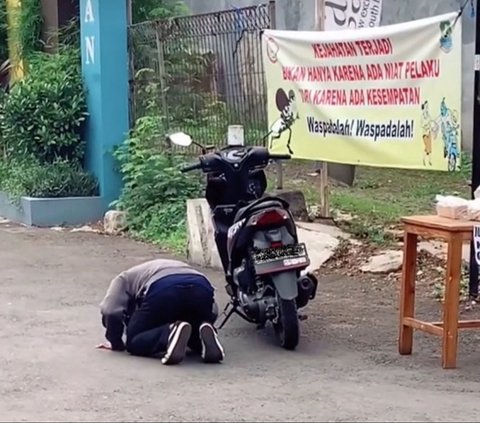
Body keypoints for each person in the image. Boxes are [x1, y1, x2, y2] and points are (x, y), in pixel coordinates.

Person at [97, 258, 225, 365]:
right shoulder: (174, 266)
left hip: (164, 287)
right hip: (201, 284)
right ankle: (202, 336)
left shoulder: (123, 278)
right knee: (189, 325)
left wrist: (116, 343)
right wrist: (205, 320)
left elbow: (110, 310)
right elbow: (213, 309)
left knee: (135, 340)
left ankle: (169, 333)